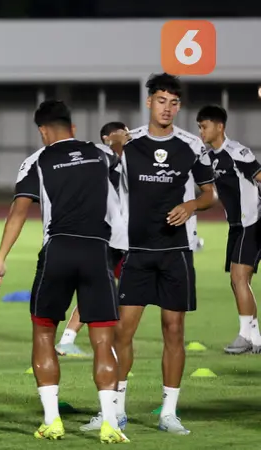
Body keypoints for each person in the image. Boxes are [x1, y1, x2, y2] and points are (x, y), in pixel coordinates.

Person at [0, 100, 129, 443]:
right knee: (102, 339)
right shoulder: (101, 154)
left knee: (43, 332)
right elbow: (125, 170)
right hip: (98, 250)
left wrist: (0, 259)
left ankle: (52, 421)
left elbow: (19, 212)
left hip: (59, 250)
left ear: (42, 131)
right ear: (73, 128)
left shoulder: (37, 160)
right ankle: (110, 422)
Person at [96, 73, 217, 436]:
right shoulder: (128, 142)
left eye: (174, 102)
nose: (167, 108)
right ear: (149, 102)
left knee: (174, 331)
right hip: (136, 251)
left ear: (179, 106)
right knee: (122, 332)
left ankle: (168, 412)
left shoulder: (191, 145)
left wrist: (192, 204)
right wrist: (113, 146)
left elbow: (210, 193)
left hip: (175, 251)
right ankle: (115, 410)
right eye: (161, 100)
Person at [55, 121, 130, 358]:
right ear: (108, 137)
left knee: (109, 292)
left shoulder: (129, 160)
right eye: (123, 133)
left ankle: (69, 340)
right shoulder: (101, 153)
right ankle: (105, 348)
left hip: (124, 238)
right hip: (108, 236)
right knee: (105, 291)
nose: (128, 137)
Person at [197, 105, 261, 354]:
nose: (201, 131)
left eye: (205, 126)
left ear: (219, 126)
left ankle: (245, 336)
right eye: (199, 127)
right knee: (237, 282)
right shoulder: (209, 157)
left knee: (239, 278)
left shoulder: (237, 153)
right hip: (236, 226)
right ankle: (255, 338)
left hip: (252, 222)